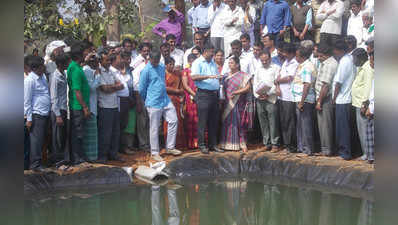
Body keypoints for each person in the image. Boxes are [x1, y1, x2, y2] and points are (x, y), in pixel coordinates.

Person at [139, 51, 182, 162]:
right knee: (154, 127)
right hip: (153, 102)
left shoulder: (161, 66)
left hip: (165, 99)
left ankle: (170, 147)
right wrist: (146, 100)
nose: (156, 63)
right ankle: (154, 152)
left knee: (173, 120)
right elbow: (142, 89)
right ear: (150, 59)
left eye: (158, 61)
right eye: (154, 61)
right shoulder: (145, 71)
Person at [191, 44, 224, 154]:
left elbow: (215, 76)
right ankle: (202, 145)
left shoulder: (213, 63)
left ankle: (213, 144)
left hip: (214, 94)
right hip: (203, 94)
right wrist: (208, 76)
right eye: (211, 52)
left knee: (213, 121)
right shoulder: (197, 62)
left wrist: (219, 78)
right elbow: (194, 77)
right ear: (205, 51)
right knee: (203, 121)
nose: (213, 54)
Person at [219, 56, 252, 152]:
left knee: (239, 123)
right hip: (227, 103)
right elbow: (222, 89)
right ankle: (226, 144)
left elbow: (247, 88)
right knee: (228, 123)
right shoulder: (225, 76)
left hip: (238, 103)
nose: (230, 65)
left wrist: (236, 93)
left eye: (232, 63)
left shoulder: (244, 75)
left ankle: (242, 144)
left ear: (237, 64)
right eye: (229, 63)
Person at [97, 53, 125, 163]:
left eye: (109, 60)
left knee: (115, 132)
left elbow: (121, 85)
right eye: (106, 60)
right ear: (101, 61)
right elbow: (104, 89)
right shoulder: (99, 72)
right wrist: (115, 87)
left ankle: (113, 154)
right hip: (104, 106)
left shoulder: (111, 71)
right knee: (105, 133)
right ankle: (103, 156)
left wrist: (112, 87)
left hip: (114, 105)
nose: (109, 62)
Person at [24, 56, 51, 171]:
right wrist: (29, 119)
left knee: (42, 140)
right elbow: (27, 101)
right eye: (41, 66)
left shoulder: (43, 77)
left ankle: (40, 162)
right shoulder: (30, 80)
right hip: (36, 114)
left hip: (45, 113)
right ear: (35, 68)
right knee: (36, 140)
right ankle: (35, 165)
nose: (44, 68)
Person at [332, 38, 356, 160]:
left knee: (343, 128)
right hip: (348, 98)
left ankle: (345, 152)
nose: (334, 52)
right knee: (346, 127)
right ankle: (346, 151)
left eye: (335, 50)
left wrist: (333, 98)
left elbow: (338, 83)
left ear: (339, 50)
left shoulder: (344, 61)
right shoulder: (350, 59)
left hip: (342, 99)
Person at [67, 42, 91, 165]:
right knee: (78, 133)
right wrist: (85, 107)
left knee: (79, 133)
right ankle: (77, 159)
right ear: (79, 55)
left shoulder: (75, 66)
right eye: (84, 53)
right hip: (78, 106)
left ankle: (79, 157)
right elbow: (77, 91)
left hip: (78, 106)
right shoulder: (75, 70)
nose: (86, 54)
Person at [252, 50, 281, 152]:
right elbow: (255, 83)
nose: (264, 62)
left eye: (266, 60)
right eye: (262, 60)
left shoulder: (276, 68)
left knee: (273, 121)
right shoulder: (258, 69)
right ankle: (266, 143)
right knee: (263, 121)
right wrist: (258, 95)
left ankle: (275, 144)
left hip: (271, 98)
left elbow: (277, 84)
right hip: (260, 98)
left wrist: (268, 94)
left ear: (270, 58)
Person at [292, 45, 317, 156]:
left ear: (301, 56)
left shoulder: (307, 67)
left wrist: (302, 102)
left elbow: (306, 85)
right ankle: (302, 148)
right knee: (301, 125)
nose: (295, 57)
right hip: (300, 99)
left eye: (296, 55)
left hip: (305, 100)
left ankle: (308, 150)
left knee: (306, 125)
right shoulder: (302, 65)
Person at [315, 43, 338, 156]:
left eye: (320, 56)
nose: (318, 58)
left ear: (326, 55)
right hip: (322, 97)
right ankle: (325, 149)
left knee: (325, 125)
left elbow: (325, 85)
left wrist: (319, 101)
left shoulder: (330, 65)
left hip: (325, 98)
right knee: (322, 125)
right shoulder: (326, 63)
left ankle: (327, 150)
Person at [276, 42, 298, 153]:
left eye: (285, 52)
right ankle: (286, 144)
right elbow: (280, 75)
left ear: (291, 53)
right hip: (282, 96)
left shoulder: (295, 63)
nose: (283, 54)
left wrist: (278, 81)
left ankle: (291, 146)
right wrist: (278, 85)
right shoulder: (285, 62)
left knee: (289, 122)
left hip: (289, 97)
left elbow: (290, 77)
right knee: (283, 121)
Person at [351, 48, 373, 162]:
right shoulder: (362, 68)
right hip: (358, 103)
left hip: (362, 104)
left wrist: (364, 104)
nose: (353, 61)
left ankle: (367, 154)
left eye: (354, 58)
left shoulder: (368, 69)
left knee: (364, 130)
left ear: (360, 58)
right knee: (361, 130)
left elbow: (368, 87)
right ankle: (366, 153)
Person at [49, 54, 70, 166]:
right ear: (61, 64)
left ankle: (62, 160)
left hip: (63, 109)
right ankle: (56, 161)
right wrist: (57, 115)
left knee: (62, 136)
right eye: (66, 62)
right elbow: (54, 97)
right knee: (57, 138)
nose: (68, 64)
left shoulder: (63, 74)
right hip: (58, 110)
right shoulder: (55, 77)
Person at [164, 57, 187, 150]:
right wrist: (176, 91)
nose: (172, 66)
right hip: (166, 99)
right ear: (165, 65)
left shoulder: (177, 74)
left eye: (173, 64)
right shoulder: (162, 74)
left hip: (177, 100)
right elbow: (163, 87)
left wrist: (181, 94)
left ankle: (179, 144)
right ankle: (168, 144)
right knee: (168, 122)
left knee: (178, 121)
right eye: (170, 64)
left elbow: (182, 87)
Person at [132, 43, 152, 152]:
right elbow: (136, 84)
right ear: (140, 52)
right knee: (142, 122)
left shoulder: (152, 64)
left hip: (152, 97)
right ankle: (143, 144)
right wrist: (138, 100)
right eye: (144, 51)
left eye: (148, 50)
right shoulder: (137, 65)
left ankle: (150, 143)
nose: (146, 53)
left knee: (151, 121)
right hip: (141, 97)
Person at [82, 51, 101, 161]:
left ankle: (92, 157)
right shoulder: (87, 70)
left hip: (93, 105)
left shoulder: (90, 70)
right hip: (90, 106)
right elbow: (92, 87)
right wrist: (98, 75)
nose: (96, 63)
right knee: (90, 134)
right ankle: (90, 158)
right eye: (94, 61)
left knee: (92, 134)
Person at [118, 51, 136, 155]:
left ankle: (129, 146)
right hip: (122, 101)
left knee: (129, 124)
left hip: (131, 100)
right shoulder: (117, 71)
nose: (128, 61)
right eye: (126, 59)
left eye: (129, 59)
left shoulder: (131, 70)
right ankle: (122, 147)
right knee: (122, 125)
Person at [182, 54, 199, 149]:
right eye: (191, 60)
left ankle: (199, 142)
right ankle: (190, 143)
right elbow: (185, 85)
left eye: (194, 60)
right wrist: (193, 94)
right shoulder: (185, 72)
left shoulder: (199, 71)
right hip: (190, 99)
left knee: (199, 120)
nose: (193, 62)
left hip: (200, 98)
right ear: (188, 61)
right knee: (190, 120)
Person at [364, 51, 374, 164]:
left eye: (371, 60)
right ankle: (371, 157)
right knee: (370, 134)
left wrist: (371, 109)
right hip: (371, 107)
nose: (369, 62)